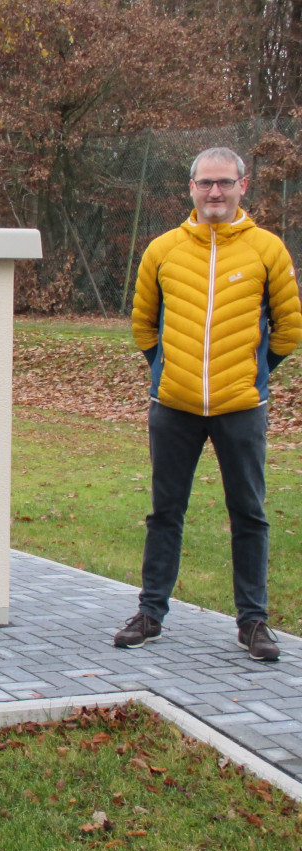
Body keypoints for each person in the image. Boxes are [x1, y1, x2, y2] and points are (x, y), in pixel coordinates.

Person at [115, 147, 301, 662]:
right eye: (205, 184)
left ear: (244, 185)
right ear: (190, 188)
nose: (214, 192)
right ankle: (150, 613)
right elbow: (142, 322)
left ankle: (254, 622)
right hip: (173, 405)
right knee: (165, 513)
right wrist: (164, 369)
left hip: (241, 406)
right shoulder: (163, 250)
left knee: (250, 514)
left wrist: (255, 373)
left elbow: (289, 326)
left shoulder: (268, 249)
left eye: (224, 183)